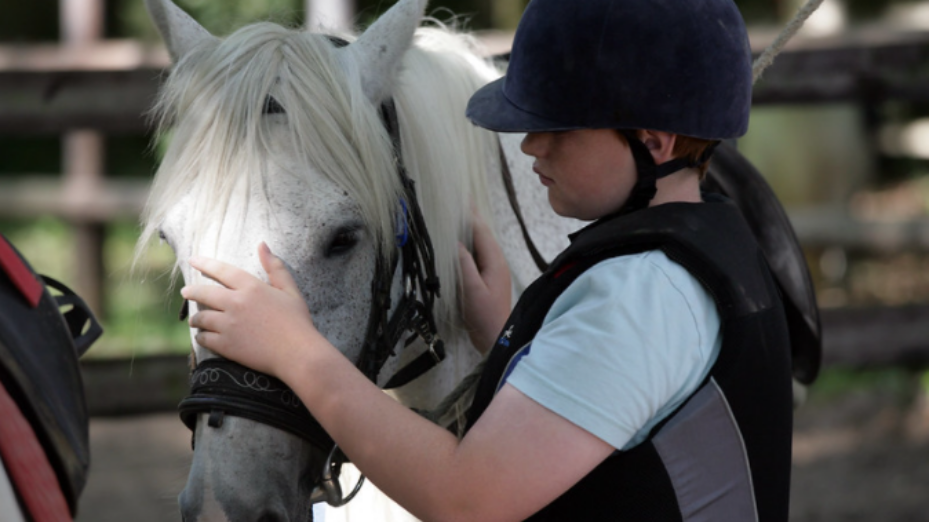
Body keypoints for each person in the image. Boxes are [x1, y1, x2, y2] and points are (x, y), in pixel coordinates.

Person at [180, 0, 794, 520]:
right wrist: (506, 340)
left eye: (559, 128)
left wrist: (295, 351)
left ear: (652, 142)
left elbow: (469, 500)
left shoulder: (639, 293)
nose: (529, 144)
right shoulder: (689, 251)